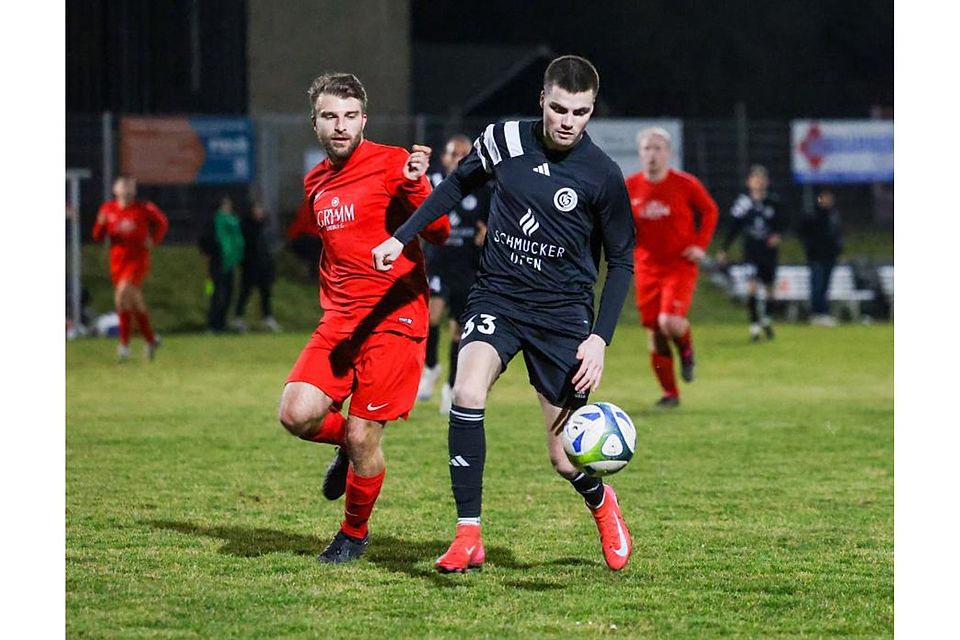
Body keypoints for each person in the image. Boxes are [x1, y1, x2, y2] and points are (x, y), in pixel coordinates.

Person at [373, 55, 636, 573]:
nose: (567, 120)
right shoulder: (503, 139)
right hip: (498, 297)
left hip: (563, 316)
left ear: (590, 112)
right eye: (558, 107)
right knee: (466, 392)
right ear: (542, 99)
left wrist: (599, 338)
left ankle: (601, 502)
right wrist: (401, 237)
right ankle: (468, 534)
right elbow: (454, 185)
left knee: (564, 457)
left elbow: (622, 259)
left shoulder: (602, 175)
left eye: (580, 112)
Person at [277, 72, 450, 564]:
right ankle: (345, 452)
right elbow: (338, 252)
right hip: (340, 323)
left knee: (362, 434)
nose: (340, 126)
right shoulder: (315, 182)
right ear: (315, 123)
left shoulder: (395, 163)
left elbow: (438, 230)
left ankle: (354, 533)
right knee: (296, 414)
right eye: (330, 117)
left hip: (394, 320)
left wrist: (419, 186)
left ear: (363, 120)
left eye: (350, 117)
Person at [625, 128, 719, 408]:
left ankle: (687, 351)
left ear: (668, 152)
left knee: (670, 322)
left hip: (679, 265)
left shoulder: (685, 184)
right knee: (655, 333)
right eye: (647, 149)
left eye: (657, 148)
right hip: (646, 267)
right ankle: (670, 394)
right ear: (640, 153)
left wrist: (700, 244)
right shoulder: (630, 187)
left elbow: (710, 210)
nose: (652, 154)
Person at [417, 134, 490, 415]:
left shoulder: (484, 188)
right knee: (430, 316)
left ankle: (450, 386)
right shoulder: (432, 184)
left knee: (459, 331)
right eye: (453, 153)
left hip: (468, 267)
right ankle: (431, 367)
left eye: (464, 154)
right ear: (444, 158)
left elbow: (495, 223)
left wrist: (488, 235)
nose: (459, 158)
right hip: (437, 263)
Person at [92, 175, 168, 361]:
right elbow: (98, 237)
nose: (127, 189)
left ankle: (124, 346)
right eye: (123, 186)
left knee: (122, 294)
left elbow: (162, 223)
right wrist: (100, 225)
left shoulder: (144, 208)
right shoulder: (107, 209)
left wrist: (154, 239)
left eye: (130, 187)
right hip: (117, 260)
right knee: (132, 301)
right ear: (115, 190)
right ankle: (150, 340)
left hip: (138, 259)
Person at [717, 165, 786, 341]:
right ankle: (754, 328)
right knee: (752, 288)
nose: (759, 182)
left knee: (770, 290)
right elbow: (733, 227)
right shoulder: (743, 204)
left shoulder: (773, 202)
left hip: (769, 253)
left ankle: (767, 320)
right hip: (751, 252)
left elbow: (784, 222)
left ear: (767, 182)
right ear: (749, 182)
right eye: (755, 179)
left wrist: (777, 235)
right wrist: (724, 249)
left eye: (762, 179)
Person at [232, 198, 281, 333]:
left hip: (264, 265)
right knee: (245, 292)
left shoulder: (265, 226)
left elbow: (269, 246)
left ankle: (267, 318)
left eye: (260, 209)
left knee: (266, 293)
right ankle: (238, 318)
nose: (259, 212)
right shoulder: (245, 226)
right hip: (250, 265)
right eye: (256, 209)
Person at [799, 189, 843, 327]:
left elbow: (837, 234)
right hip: (816, 256)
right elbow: (803, 233)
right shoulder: (812, 215)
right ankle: (817, 313)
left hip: (830, 256)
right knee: (817, 286)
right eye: (824, 198)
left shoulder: (833, 215)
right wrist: (810, 247)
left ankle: (823, 312)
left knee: (825, 286)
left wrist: (838, 249)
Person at [204, 196, 245, 333]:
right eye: (225, 205)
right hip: (217, 262)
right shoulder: (214, 221)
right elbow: (206, 242)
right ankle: (212, 323)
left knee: (228, 293)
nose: (228, 208)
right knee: (217, 293)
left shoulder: (233, 222)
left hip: (229, 263)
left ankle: (221, 323)